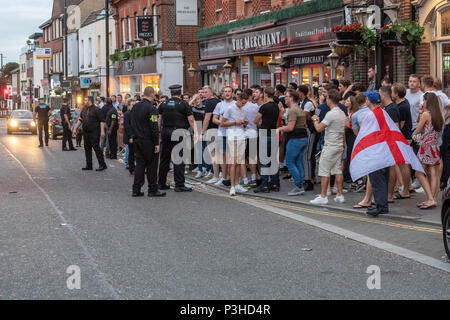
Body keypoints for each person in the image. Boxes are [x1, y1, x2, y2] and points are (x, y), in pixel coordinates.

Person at [310, 89, 346, 205]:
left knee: (324, 170)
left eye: (326, 98)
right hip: (339, 144)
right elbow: (344, 131)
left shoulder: (331, 114)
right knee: (337, 170)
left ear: (330, 99)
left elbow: (319, 128)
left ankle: (323, 196)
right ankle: (340, 195)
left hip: (330, 145)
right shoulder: (341, 112)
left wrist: (315, 120)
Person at [158, 84, 196, 192]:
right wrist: (197, 133)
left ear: (171, 93)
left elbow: (159, 120)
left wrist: (159, 132)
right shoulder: (184, 104)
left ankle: (161, 183)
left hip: (166, 132)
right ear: (180, 92)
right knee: (178, 158)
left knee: (164, 158)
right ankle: (179, 184)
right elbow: (191, 120)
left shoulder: (163, 104)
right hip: (179, 132)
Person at [129, 87, 165, 197]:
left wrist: (133, 136)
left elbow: (131, 122)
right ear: (152, 94)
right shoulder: (152, 109)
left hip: (137, 140)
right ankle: (152, 189)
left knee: (140, 165)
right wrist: (156, 143)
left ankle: (136, 189)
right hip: (148, 141)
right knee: (152, 166)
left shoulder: (135, 107)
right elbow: (154, 127)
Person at [277, 89, 308, 196]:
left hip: (296, 138)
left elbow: (290, 127)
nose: (285, 98)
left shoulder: (292, 110)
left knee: (290, 162)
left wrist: (280, 129)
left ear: (291, 98)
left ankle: (298, 185)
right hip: (303, 138)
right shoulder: (298, 108)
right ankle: (300, 185)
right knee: (298, 162)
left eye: (286, 96)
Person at [415, 92, 444, 203]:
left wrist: (420, 112)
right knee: (434, 173)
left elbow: (418, 130)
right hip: (434, 146)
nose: (423, 102)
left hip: (425, 147)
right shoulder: (438, 114)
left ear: (428, 101)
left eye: (424, 100)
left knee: (419, 173)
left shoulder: (426, 114)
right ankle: (433, 198)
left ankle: (430, 199)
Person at [221, 92, 249, 196]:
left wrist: (245, 124)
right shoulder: (230, 108)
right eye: (242, 103)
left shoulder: (244, 109)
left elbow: (244, 123)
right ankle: (232, 186)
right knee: (233, 162)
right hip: (232, 137)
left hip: (242, 136)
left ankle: (237, 184)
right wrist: (235, 123)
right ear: (238, 99)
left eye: (245, 103)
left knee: (239, 162)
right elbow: (222, 123)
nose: (243, 105)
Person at [253, 87, 280, 193]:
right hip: (273, 132)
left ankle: (264, 185)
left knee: (264, 160)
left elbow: (256, 120)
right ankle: (274, 184)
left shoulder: (264, 107)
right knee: (273, 160)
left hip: (264, 133)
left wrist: (260, 123)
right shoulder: (276, 106)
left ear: (265, 95)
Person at [72, 96, 107, 171]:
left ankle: (102, 164)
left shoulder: (96, 110)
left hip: (94, 131)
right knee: (87, 148)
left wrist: (102, 131)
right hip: (86, 132)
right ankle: (89, 165)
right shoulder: (84, 109)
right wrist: (75, 128)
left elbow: (101, 121)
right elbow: (80, 119)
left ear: (90, 100)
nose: (84, 101)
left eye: (86, 100)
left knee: (96, 148)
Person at [392, 82, 413, 199]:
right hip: (403, 137)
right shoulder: (402, 103)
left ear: (396, 93)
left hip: (404, 137)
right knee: (401, 163)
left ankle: (406, 189)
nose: (390, 93)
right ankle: (404, 186)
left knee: (403, 164)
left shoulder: (402, 107)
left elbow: (400, 125)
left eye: (392, 91)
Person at [212, 86, 236, 187]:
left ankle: (233, 179)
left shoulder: (236, 104)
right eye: (225, 91)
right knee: (223, 157)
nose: (227, 93)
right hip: (222, 133)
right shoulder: (219, 105)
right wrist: (222, 123)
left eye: (229, 91)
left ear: (232, 93)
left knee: (233, 158)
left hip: (233, 134)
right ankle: (224, 177)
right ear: (222, 94)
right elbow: (214, 119)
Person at [200, 86, 221, 183]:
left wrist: (202, 132)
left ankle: (216, 176)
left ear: (211, 92)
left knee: (214, 155)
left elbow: (207, 119)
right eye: (203, 92)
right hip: (220, 130)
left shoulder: (209, 103)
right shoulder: (218, 101)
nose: (204, 94)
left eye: (206, 92)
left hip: (212, 130)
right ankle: (222, 175)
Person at [123, 98, 136, 174]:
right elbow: (127, 126)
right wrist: (131, 137)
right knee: (131, 153)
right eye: (132, 105)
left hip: (136, 136)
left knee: (135, 153)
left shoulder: (136, 113)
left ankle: (135, 167)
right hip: (130, 136)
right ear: (129, 106)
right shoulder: (127, 114)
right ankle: (131, 168)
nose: (134, 106)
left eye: (135, 105)